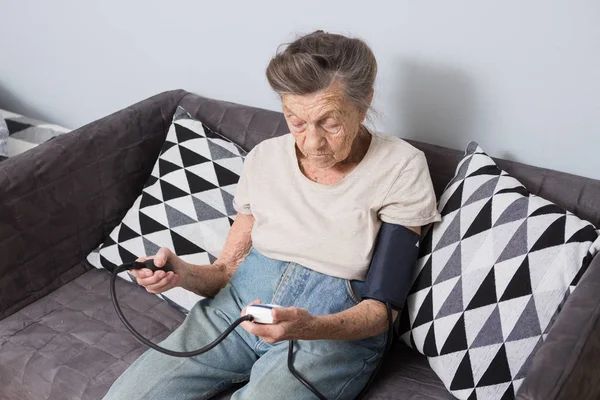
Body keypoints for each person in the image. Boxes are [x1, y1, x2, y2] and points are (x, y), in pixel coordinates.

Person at [104, 31, 441, 400]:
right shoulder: (264, 159)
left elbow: (382, 311)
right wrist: (181, 274)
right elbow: (226, 273)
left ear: (364, 105)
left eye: (330, 122)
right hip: (234, 311)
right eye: (295, 121)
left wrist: (309, 326)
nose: (312, 143)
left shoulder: (401, 167)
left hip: (329, 338)